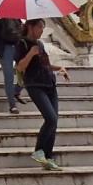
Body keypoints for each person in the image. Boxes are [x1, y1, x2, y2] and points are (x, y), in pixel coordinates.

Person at [14, 18, 69, 170]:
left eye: (43, 28)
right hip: (35, 85)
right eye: (39, 27)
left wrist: (59, 68)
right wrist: (31, 53)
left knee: (54, 122)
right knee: (50, 118)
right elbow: (20, 67)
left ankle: (48, 157)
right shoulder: (22, 44)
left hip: (49, 84)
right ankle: (39, 151)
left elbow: (46, 65)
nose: (41, 30)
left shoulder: (40, 44)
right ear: (30, 27)